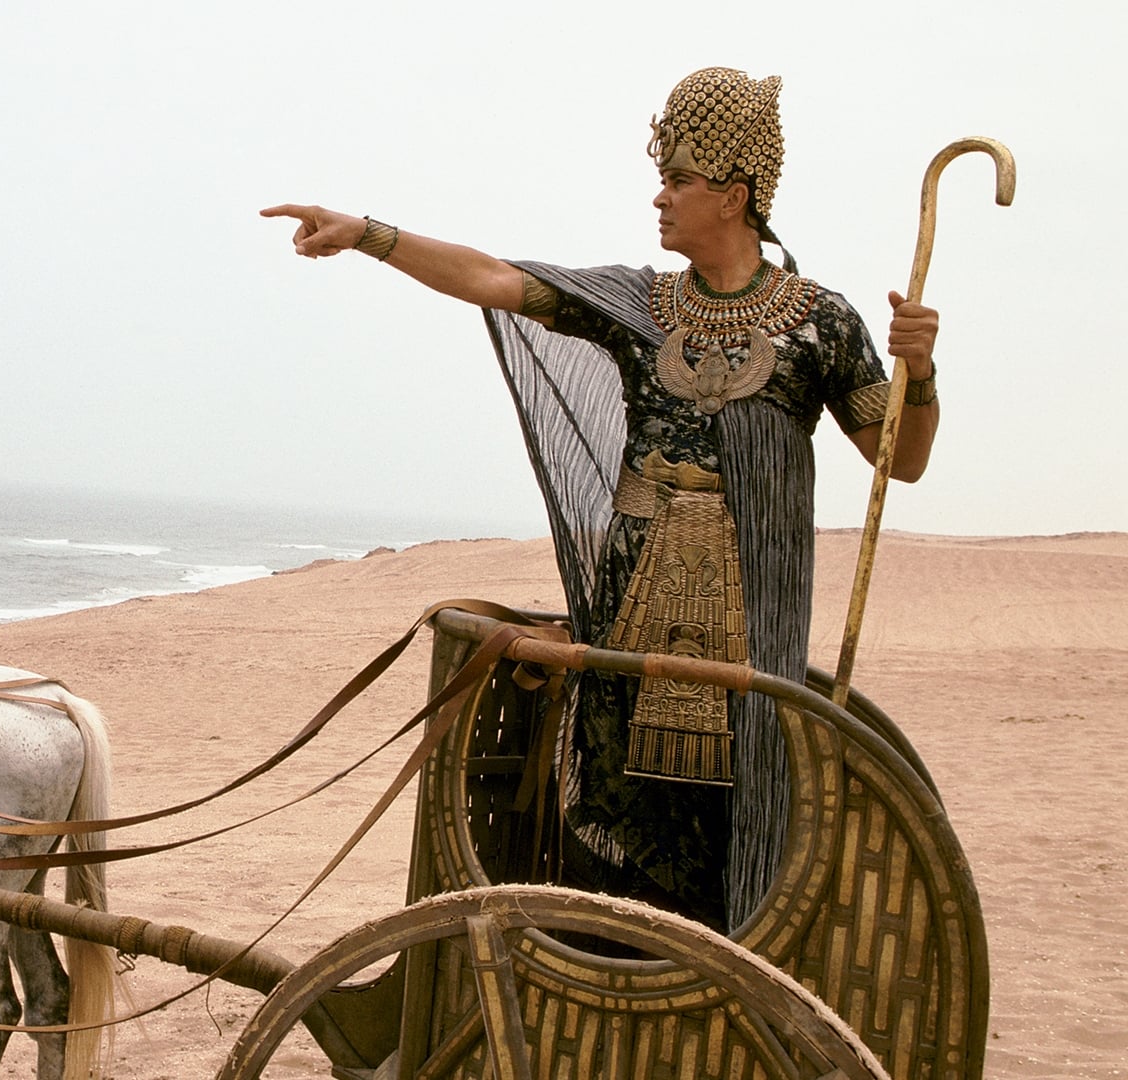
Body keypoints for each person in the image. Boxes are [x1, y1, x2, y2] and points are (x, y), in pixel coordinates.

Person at [263, 67, 939, 929]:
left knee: (727, 832)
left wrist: (920, 372)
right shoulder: (637, 305)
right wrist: (368, 234)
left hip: (748, 643)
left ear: (733, 195)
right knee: (616, 826)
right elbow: (491, 276)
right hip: (624, 628)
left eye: (678, 180)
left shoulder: (822, 323)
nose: (660, 198)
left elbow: (901, 459)